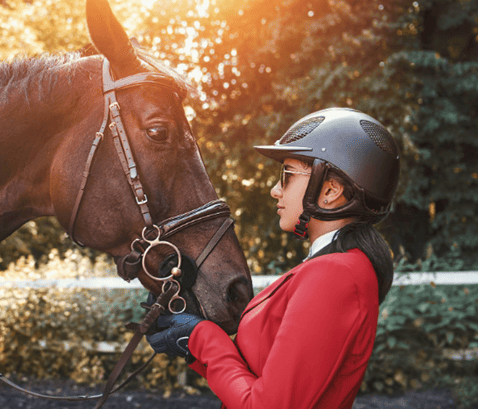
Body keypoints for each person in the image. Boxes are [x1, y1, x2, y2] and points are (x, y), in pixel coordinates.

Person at [146, 107, 401, 409]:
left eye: (287, 176)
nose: (275, 190)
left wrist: (201, 337)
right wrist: (192, 344)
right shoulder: (333, 266)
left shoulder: (336, 276)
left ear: (330, 190)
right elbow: (259, 375)